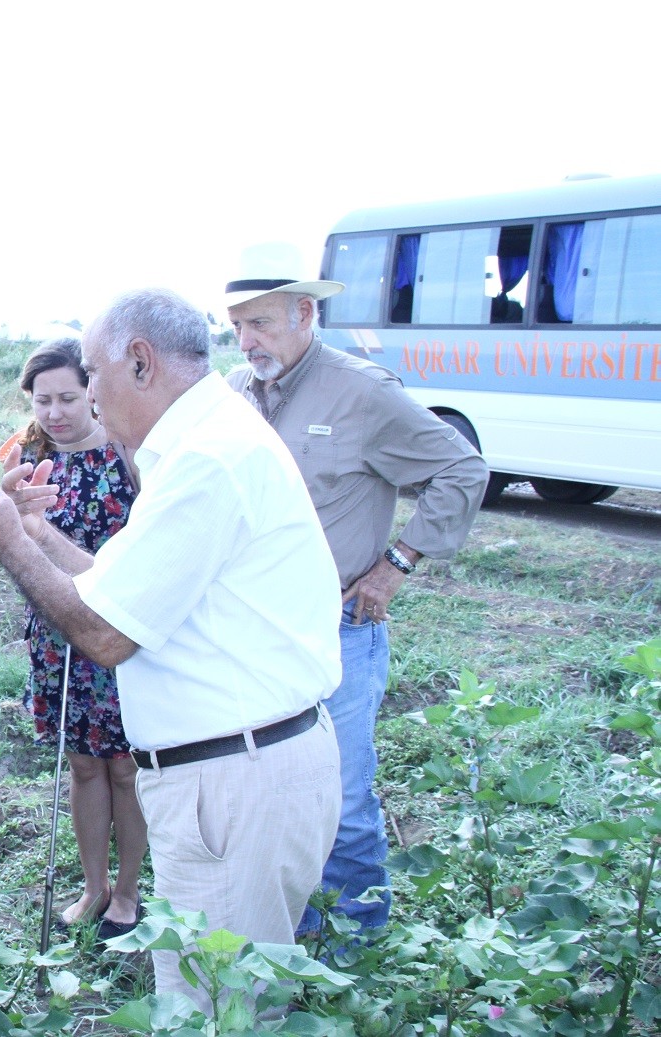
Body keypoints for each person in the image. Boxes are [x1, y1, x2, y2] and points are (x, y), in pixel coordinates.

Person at [0, 288, 342, 1009]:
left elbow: (106, 633)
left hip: (236, 778)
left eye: (92, 378)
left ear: (140, 362)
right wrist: (37, 536)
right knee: (228, 997)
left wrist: (7, 542)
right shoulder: (207, 443)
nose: (90, 400)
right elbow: (120, 587)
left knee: (220, 1010)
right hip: (242, 768)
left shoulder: (206, 462)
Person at [224, 272, 488, 935]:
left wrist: (396, 563)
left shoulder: (362, 390)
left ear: (306, 311)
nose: (247, 339)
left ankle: (361, 947)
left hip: (340, 628)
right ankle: (299, 936)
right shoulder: (235, 393)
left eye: (261, 322)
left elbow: (462, 469)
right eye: (237, 325)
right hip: (258, 633)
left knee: (341, 798)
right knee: (277, 791)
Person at [0, 338, 146, 939]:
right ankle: (93, 887)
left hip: (119, 631)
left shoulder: (128, 456)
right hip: (56, 637)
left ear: (92, 393)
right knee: (84, 767)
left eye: (66, 397)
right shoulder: (26, 460)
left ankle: (129, 892)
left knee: (127, 769)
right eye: (41, 400)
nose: (54, 412)